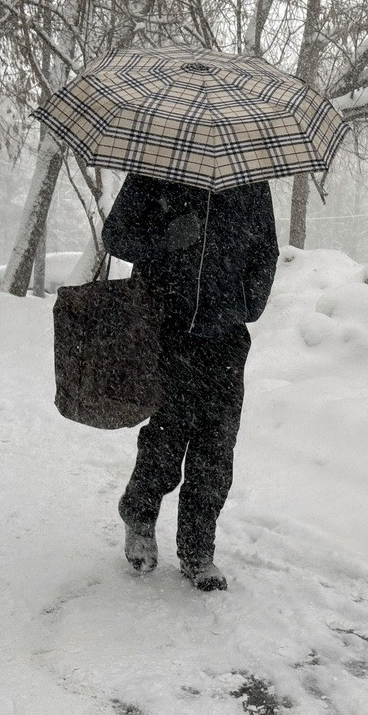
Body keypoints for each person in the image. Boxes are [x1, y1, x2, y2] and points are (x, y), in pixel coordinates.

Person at [101, 173, 278, 591]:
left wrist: (248, 302)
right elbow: (116, 236)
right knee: (166, 437)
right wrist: (165, 238)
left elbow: (265, 249)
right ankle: (140, 516)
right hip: (165, 327)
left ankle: (198, 551)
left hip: (226, 337)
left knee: (216, 448)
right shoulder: (156, 170)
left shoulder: (249, 180)